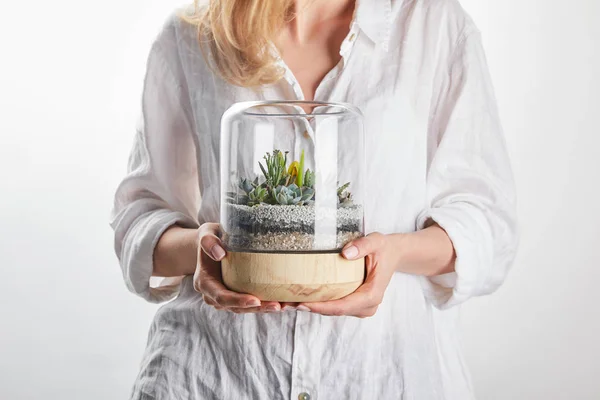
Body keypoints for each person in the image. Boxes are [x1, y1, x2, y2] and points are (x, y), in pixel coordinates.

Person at [110, 0, 518, 398]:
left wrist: (393, 253)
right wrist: (204, 250)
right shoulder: (192, 31)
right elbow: (139, 216)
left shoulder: (430, 24)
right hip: (214, 373)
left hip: (381, 373)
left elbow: (486, 222)